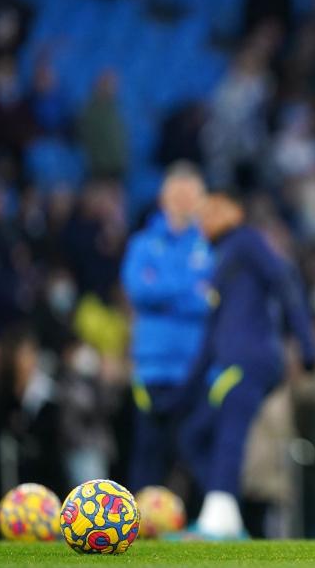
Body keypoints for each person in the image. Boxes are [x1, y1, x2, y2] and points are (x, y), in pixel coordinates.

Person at [184, 193, 315, 538]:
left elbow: (283, 280)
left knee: (230, 431)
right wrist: (187, 386)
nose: (202, 220)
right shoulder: (222, 256)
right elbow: (213, 329)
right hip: (231, 363)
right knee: (194, 436)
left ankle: (220, 518)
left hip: (250, 359)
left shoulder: (245, 240)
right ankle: (226, 511)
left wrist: (306, 344)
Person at [120, 162, 213, 490]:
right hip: (153, 369)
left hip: (198, 370)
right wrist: (190, 288)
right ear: (164, 197)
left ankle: (200, 520)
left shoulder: (211, 244)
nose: (184, 201)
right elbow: (138, 291)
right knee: (149, 456)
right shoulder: (142, 244)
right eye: (178, 193)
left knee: (198, 459)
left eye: (191, 193)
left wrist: (162, 289)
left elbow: (214, 299)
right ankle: (138, 519)